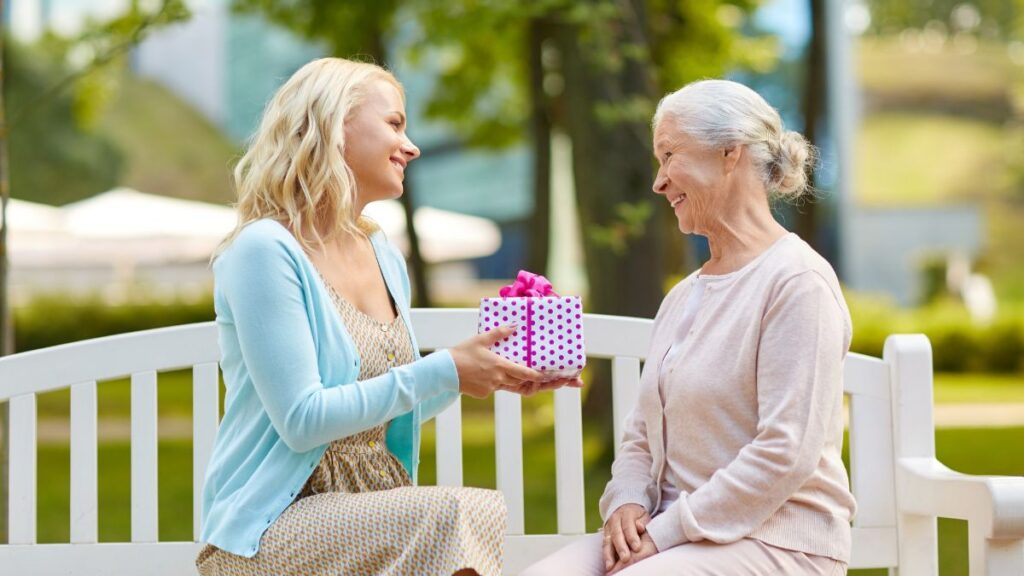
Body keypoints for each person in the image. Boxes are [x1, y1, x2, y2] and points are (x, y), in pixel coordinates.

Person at [195, 58, 578, 576]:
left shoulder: (380, 250)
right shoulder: (265, 250)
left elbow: (387, 402)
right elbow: (303, 421)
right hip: (269, 529)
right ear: (332, 126)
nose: (412, 145)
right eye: (395, 124)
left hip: (376, 513)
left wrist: (480, 376)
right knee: (453, 513)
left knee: (462, 513)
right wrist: (443, 369)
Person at [522, 79, 856, 575]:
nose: (658, 182)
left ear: (729, 152)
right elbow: (640, 433)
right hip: (673, 535)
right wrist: (628, 504)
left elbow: (786, 452)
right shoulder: (683, 296)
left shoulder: (797, 282)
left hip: (778, 541)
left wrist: (661, 534)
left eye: (670, 155)